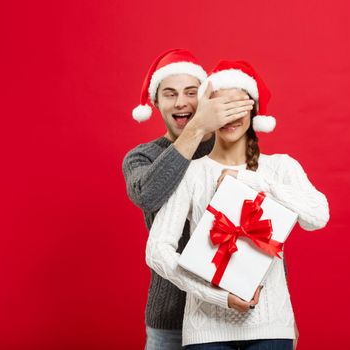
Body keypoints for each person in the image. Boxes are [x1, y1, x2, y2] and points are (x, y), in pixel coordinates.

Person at [145, 60, 330, 349]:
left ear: (254, 109)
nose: (230, 116)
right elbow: (157, 251)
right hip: (205, 332)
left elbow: (318, 216)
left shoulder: (280, 168)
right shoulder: (191, 173)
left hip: (271, 327)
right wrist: (218, 296)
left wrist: (254, 182)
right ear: (208, 113)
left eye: (238, 106)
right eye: (221, 107)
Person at [122, 49, 255, 350]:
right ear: (155, 102)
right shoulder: (142, 157)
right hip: (171, 319)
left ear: (204, 98)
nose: (181, 102)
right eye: (169, 94)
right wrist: (197, 128)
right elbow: (148, 195)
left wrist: (283, 311)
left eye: (191, 92)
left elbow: (260, 231)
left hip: (229, 316)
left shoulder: (229, 149)